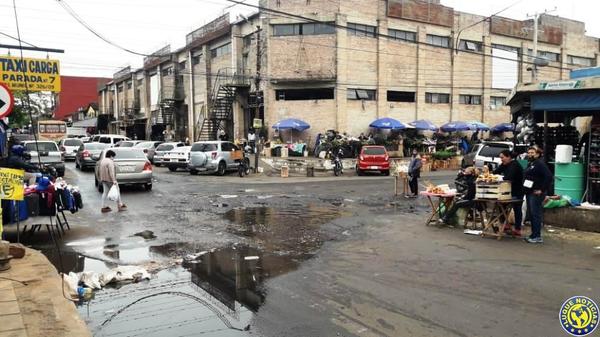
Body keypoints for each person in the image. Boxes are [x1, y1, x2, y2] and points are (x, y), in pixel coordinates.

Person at [523, 146, 552, 244]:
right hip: (529, 191)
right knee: (532, 214)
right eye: (529, 152)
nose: (530, 154)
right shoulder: (531, 163)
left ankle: (537, 236)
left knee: (535, 214)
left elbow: (548, 176)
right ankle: (533, 234)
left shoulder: (540, 164)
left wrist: (541, 189)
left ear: (538, 154)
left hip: (536, 193)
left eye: (533, 153)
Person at [494, 150, 524, 236]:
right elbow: (496, 171)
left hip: (517, 191)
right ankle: (506, 224)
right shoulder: (504, 164)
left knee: (517, 209)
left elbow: (509, 177)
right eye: (500, 158)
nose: (501, 160)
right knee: (501, 205)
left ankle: (518, 229)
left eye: (502, 157)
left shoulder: (514, 165)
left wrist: (500, 178)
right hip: (507, 191)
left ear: (509, 157)